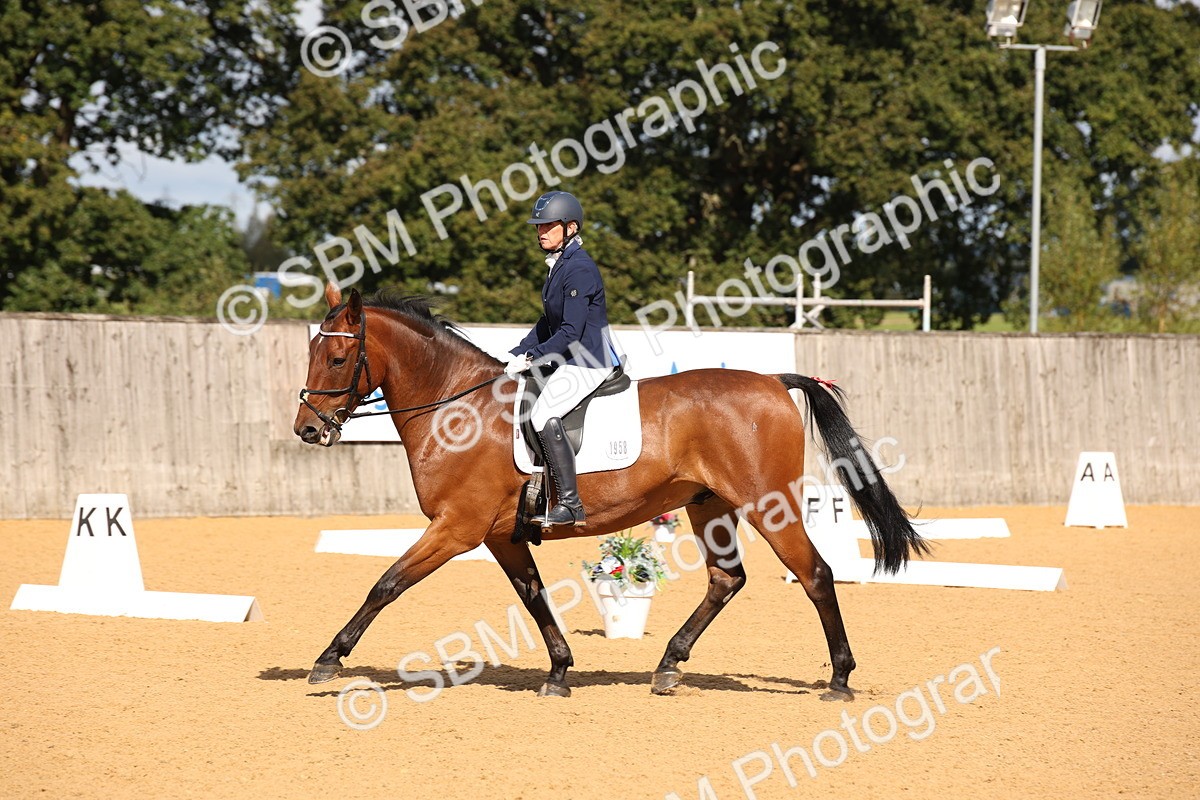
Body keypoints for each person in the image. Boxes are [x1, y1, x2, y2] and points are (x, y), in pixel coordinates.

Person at [505, 191, 620, 529]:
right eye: (538, 226)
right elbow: (547, 323)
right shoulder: (560, 265)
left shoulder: (579, 268)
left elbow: (570, 331)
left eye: (548, 225)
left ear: (571, 228)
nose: (541, 231)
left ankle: (570, 503)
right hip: (569, 359)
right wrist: (518, 352)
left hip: (588, 361)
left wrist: (533, 356)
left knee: (542, 413)